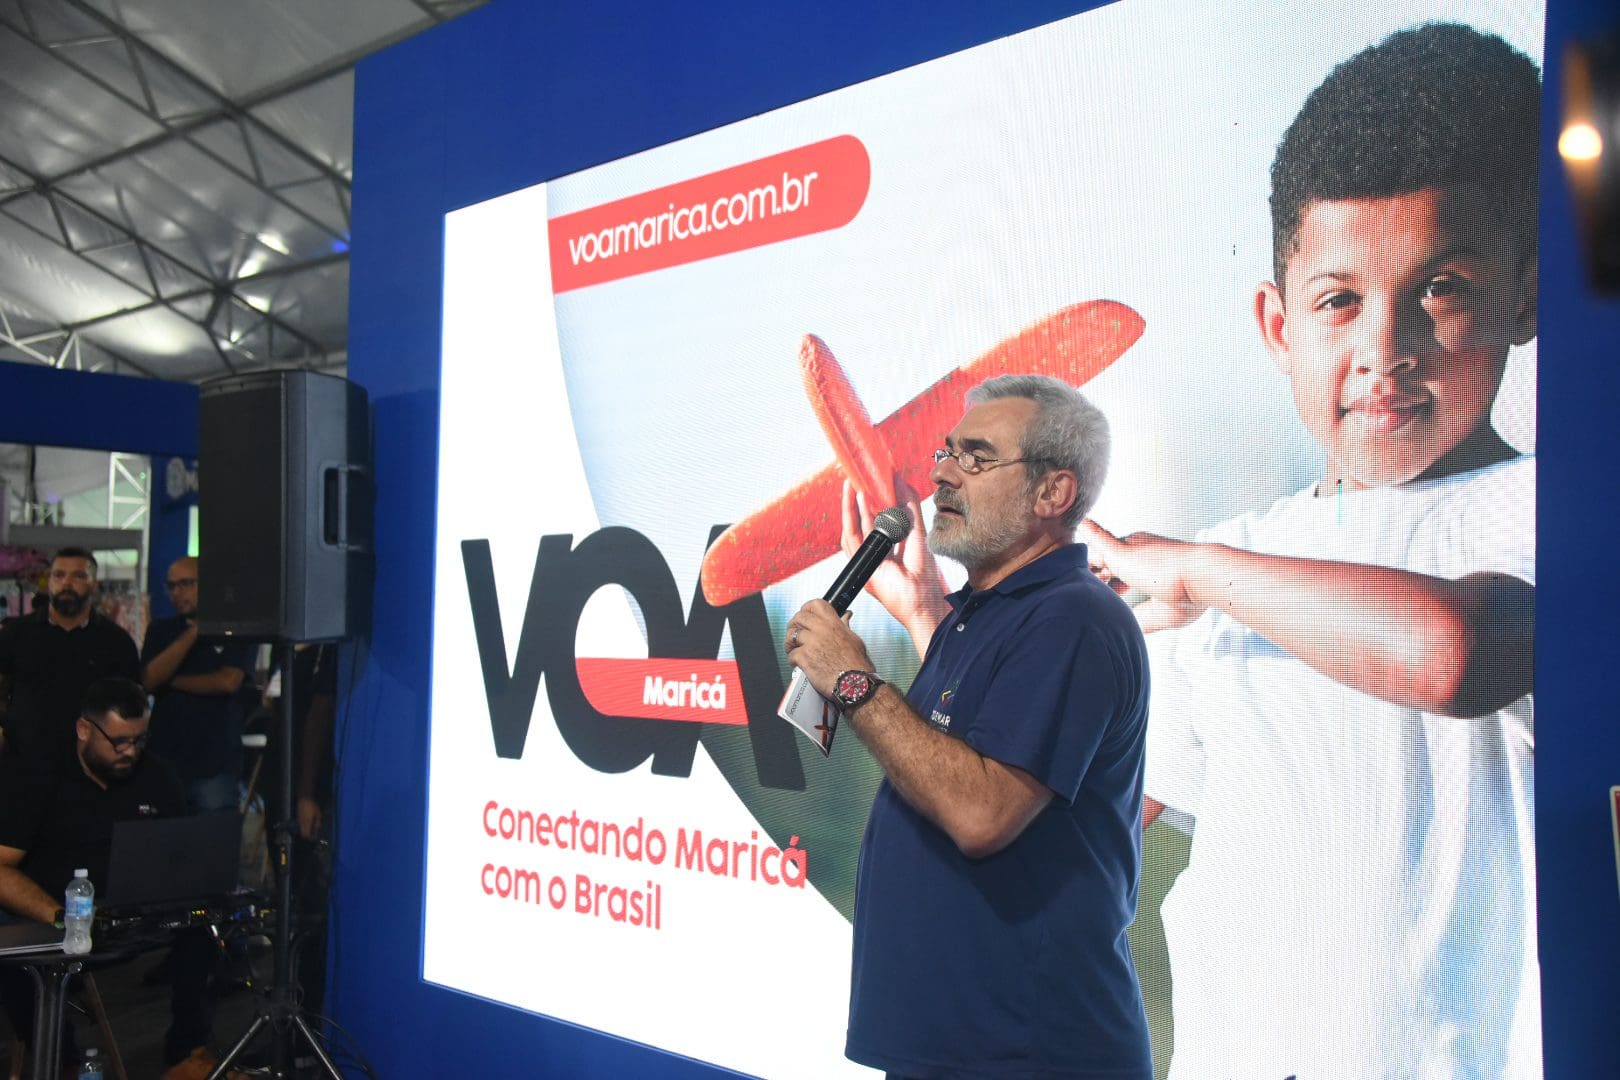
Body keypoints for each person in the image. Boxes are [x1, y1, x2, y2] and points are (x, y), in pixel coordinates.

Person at [1080, 24, 1539, 1079]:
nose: (1384, 351)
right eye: (1339, 301)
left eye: (1441, 288)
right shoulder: (1232, 562)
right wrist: (955, 624)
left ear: (1524, 294)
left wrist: (1203, 576)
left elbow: (1451, 655)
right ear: (1280, 326)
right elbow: (1085, 831)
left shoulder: (1546, 510)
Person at [786, 374, 1153, 1078]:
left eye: (977, 458)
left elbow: (982, 813)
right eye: (947, 453)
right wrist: (922, 608)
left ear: (1053, 493)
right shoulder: (978, 615)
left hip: (1028, 1055)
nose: (944, 475)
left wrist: (853, 680)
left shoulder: (1073, 619)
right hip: (962, 1049)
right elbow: (970, 737)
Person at [0, 677, 218, 1071]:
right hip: (54, 917)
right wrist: (62, 916)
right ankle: (64, 1064)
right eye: (118, 742)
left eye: (139, 740)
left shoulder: (158, 776)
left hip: (134, 912)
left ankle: (188, 1053)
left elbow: (181, 858)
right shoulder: (38, 776)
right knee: (13, 960)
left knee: (204, 926)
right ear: (84, 729)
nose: (129, 752)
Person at [0, 547, 140, 766]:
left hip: (91, 767)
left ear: (94, 584)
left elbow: (129, 706)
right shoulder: (16, 633)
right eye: (59, 575)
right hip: (23, 761)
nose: (67, 583)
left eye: (79, 576)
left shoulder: (116, 642)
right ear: (49, 582)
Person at [142, 557, 258, 812]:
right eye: (171, 586)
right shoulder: (160, 631)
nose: (177, 592)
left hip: (215, 760)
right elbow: (149, 680)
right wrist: (193, 633)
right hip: (165, 755)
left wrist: (171, 680)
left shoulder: (235, 629)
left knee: (212, 832)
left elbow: (227, 682)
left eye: (185, 584)